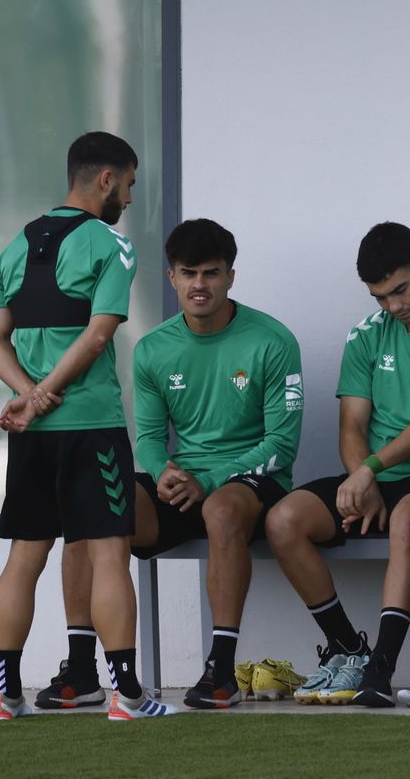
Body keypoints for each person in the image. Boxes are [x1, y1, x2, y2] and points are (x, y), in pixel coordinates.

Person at [0, 131, 175, 721]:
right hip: (90, 428)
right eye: (131, 184)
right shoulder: (109, 244)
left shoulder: (15, 246)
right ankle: (127, 697)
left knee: (23, 558)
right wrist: (40, 398)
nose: (132, 198)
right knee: (110, 556)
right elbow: (97, 334)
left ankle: (4, 697)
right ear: (107, 180)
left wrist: (26, 396)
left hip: (31, 437)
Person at [264, 222, 410, 707]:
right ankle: (350, 649)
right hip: (376, 473)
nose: (393, 306)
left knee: (408, 512)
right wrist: (362, 479)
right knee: (283, 520)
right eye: (380, 296)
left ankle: (383, 669)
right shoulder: (367, 334)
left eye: (400, 290)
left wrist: (369, 471)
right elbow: (351, 425)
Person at [129, 218, 304, 709]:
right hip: (186, 483)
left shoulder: (272, 339)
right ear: (172, 278)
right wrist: (164, 473)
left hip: (253, 481)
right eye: (189, 273)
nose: (199, 285)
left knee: (222, 509)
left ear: (231, 276)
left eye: (211, 273)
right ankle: (101, 667)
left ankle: (220, 670)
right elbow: (146, 437)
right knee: (102, 503)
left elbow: (281, 443)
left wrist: (206, 480)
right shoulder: (153, 349)